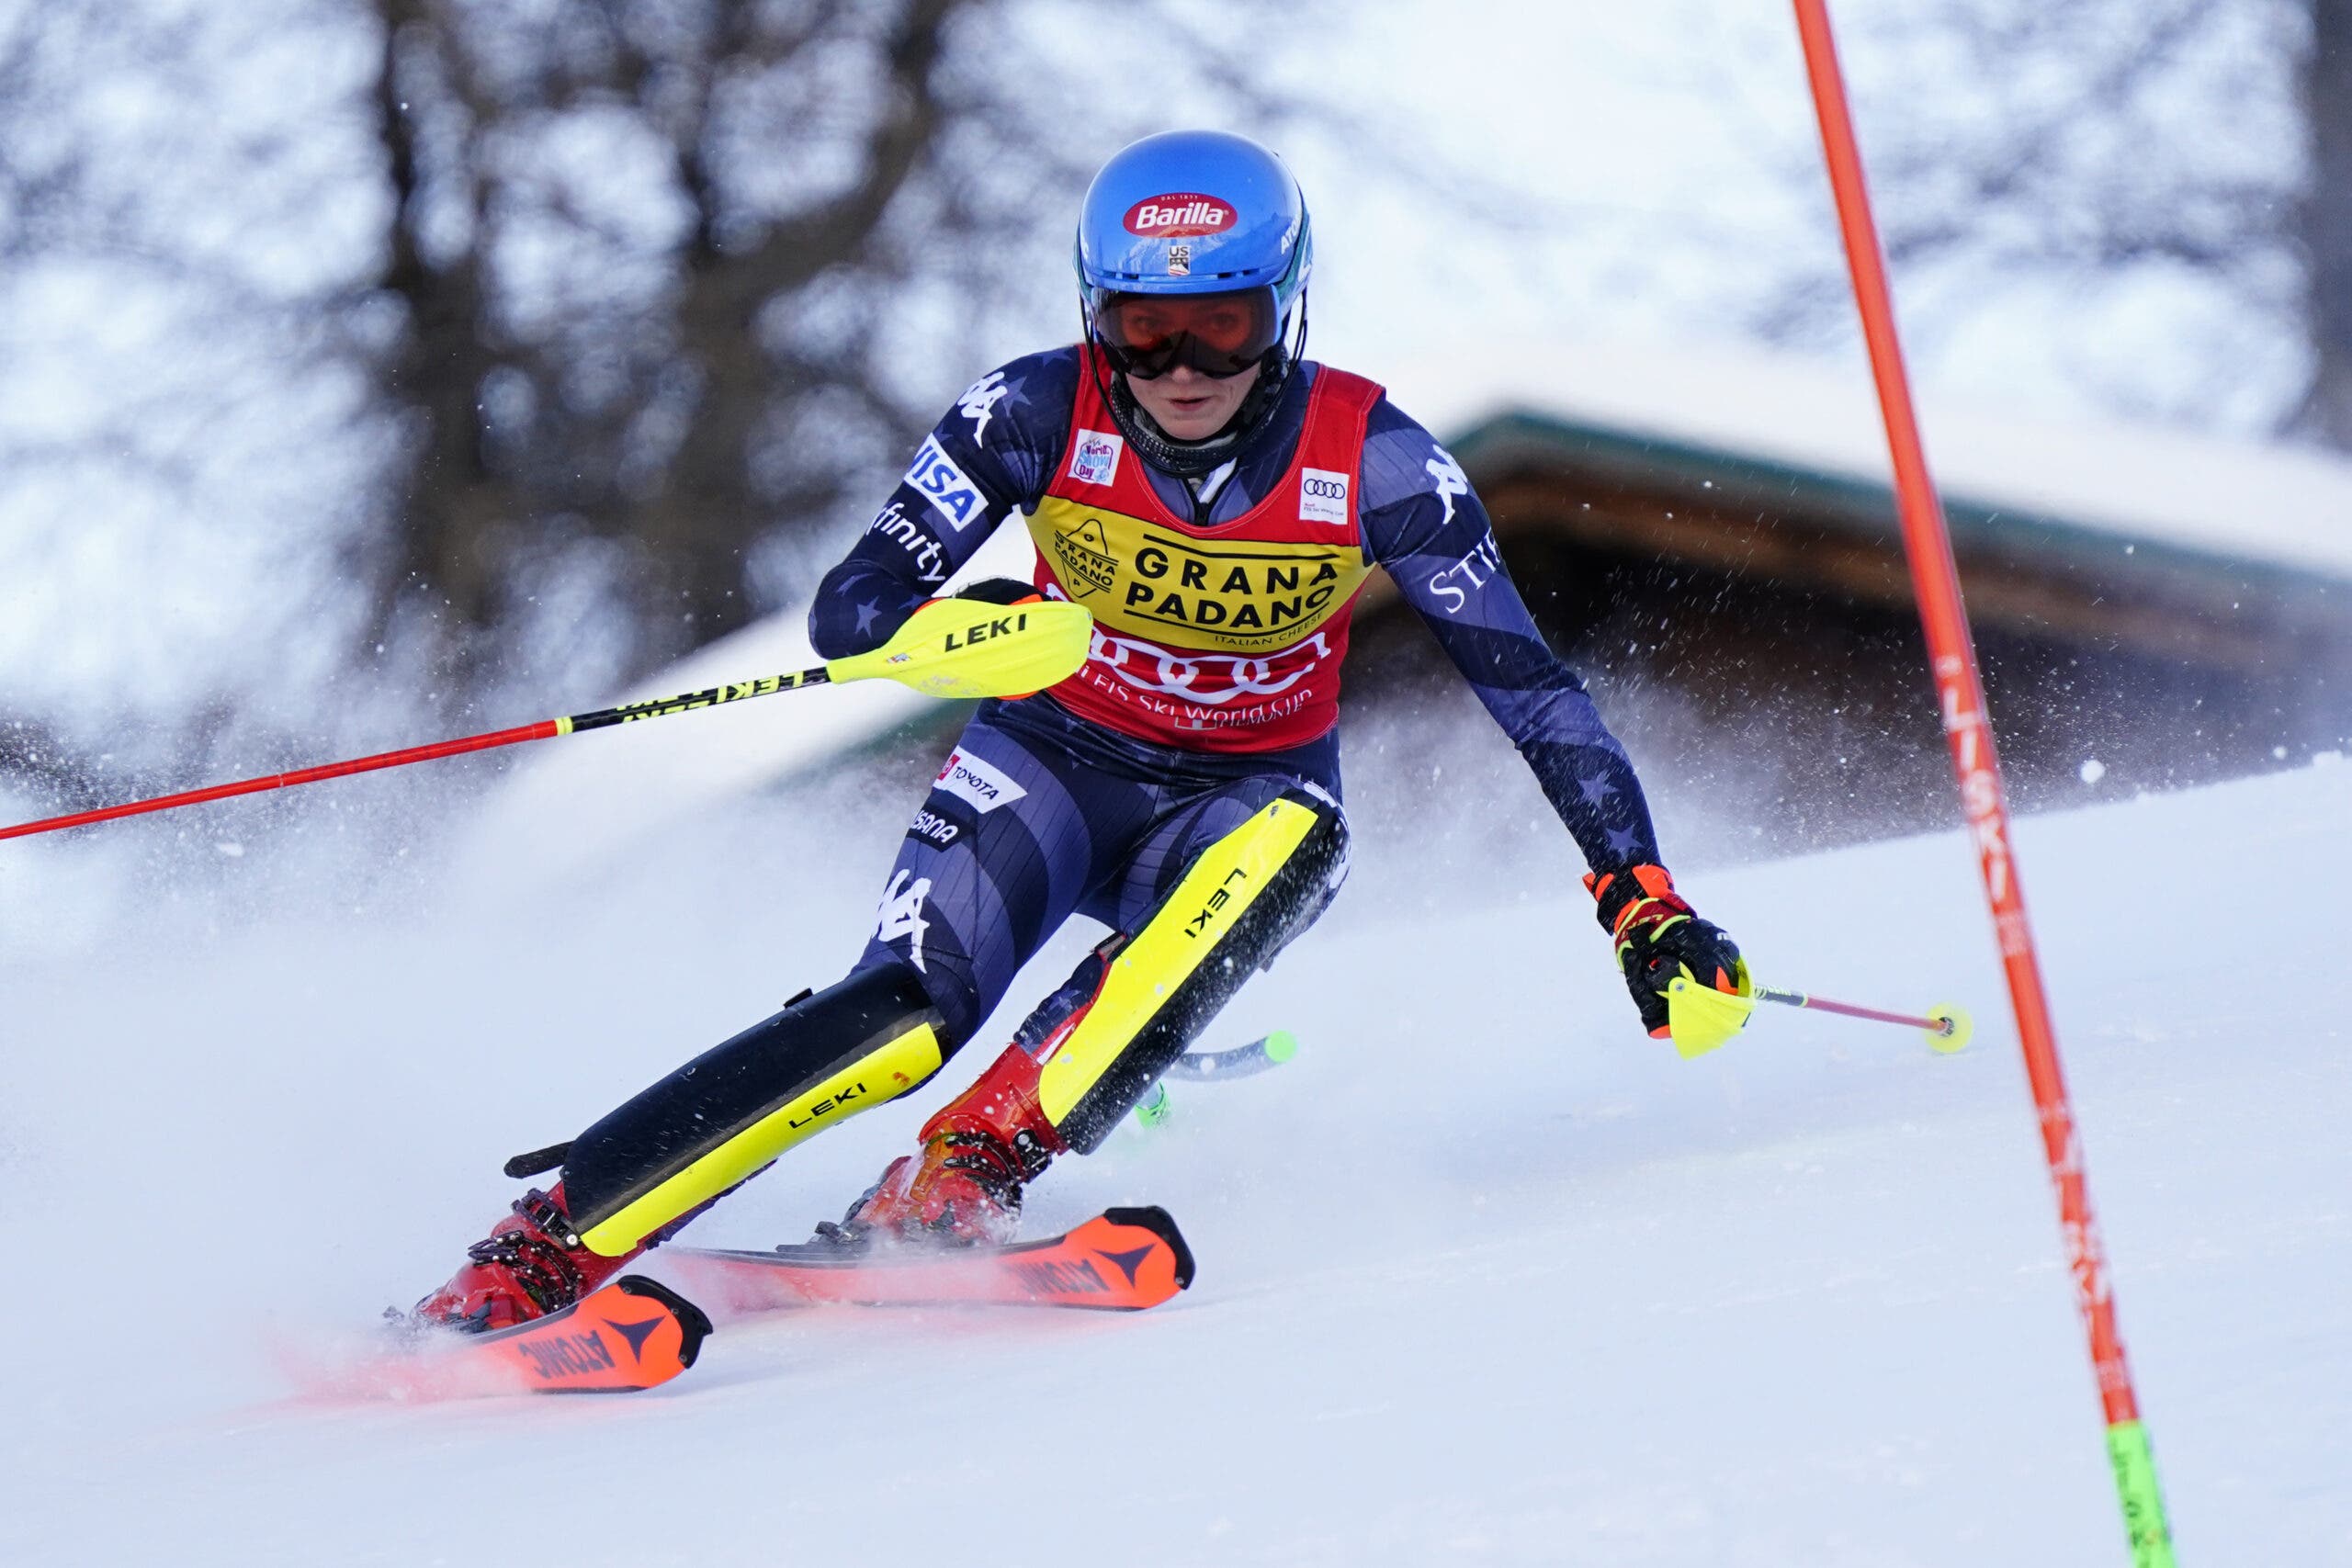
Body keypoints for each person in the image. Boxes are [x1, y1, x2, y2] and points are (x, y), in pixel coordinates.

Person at [413, 130, 1746, 1331]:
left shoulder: (1380, 461)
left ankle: (961, 1176)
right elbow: (851, 602)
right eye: (1140, 327)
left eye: (1219, 330)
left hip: (1241, 795)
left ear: (1281, 312)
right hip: (1052, 762)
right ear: (1093, 314)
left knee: (1293, 845)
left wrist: (1642, 898)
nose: (1177, 370)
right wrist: (937, 622)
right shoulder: (1035, 409)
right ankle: (543, 1246)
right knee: (903, 1023)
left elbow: (1531, 690)